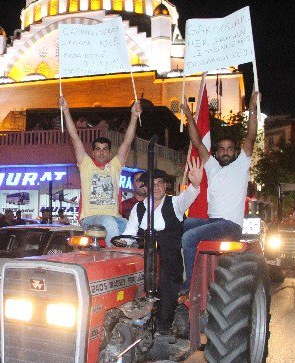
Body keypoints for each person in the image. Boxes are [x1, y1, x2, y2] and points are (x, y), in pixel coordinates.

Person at [180, 91, 260, 296]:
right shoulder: (213, 167)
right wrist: (189, 117)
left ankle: (191, 283)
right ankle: (179, 272)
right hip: (213, 222)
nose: (225, 152)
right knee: (185, 224)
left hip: (230, 226)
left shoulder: (241, 166)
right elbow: (197, 142)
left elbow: (251, 136)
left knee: (189, 237)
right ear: (217, 152)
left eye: (229, 149)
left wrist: (252, 108)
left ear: (235, 152)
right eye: (222, 149)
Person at [122, 160, 203, 332]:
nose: (157, 187)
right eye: (152, 184)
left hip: (169, 257)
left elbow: (190, 195)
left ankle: (164, 326)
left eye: (160, 183)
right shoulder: (138, 208)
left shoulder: (175, 204)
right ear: (146, 188)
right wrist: (122, 244)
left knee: (167, 280)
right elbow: (129, 234)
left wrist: (195, 184)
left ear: (165, 186)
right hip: (145, 257)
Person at [60, 95, 141, 244]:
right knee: (110, 222)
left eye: (105, 149)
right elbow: (75, 138)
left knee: (133, 231)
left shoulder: (115, 166)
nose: (101, 152)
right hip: (90, 219)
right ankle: (112, 257)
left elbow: (127, 141)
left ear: (110, 152)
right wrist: (65, 110)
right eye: (98, 149)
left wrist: (134, 116)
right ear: (93, 152)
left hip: (116, 218)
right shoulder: (86, 164)